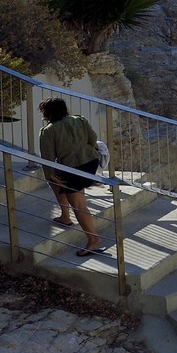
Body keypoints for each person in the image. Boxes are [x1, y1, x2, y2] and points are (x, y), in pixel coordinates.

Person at [37, 97, 108, 257]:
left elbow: (47, 158)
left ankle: (93, 239)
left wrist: (50, 175)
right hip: (90, 161)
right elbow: (93, 139)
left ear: (47, 113)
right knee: (68, 189)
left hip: (73, 167)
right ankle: (65, 217)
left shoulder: (48, 131)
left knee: (79, 205)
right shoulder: (80, 120)